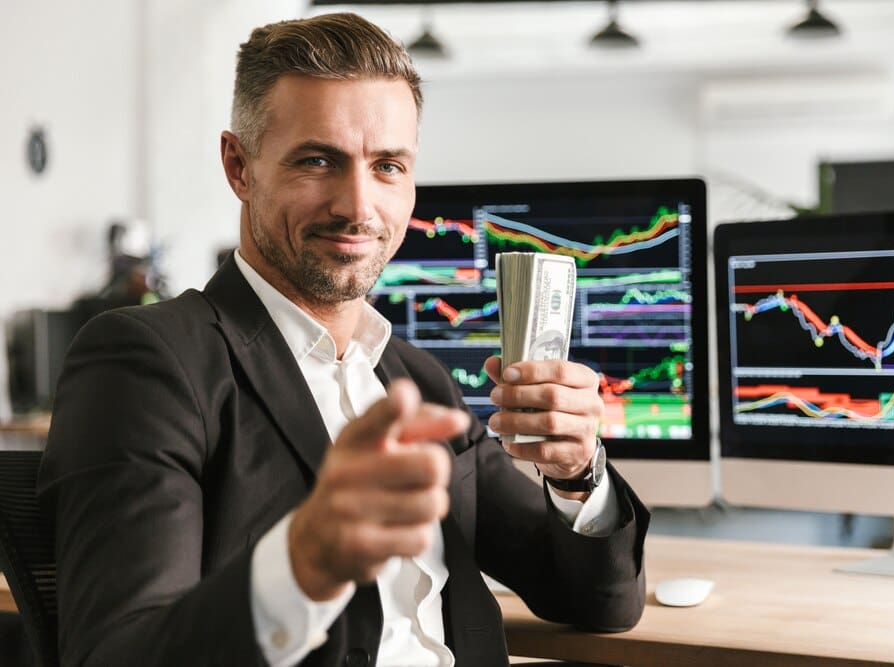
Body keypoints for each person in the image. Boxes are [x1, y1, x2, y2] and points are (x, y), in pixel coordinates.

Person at [38, 12, 649, 667]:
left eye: (387, 165)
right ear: (239, 166)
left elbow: (600, 600)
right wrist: (301, 566)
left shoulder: (417, 379)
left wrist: (578, 472)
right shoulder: (147, 362)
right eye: (318, 160)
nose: (358, 205)